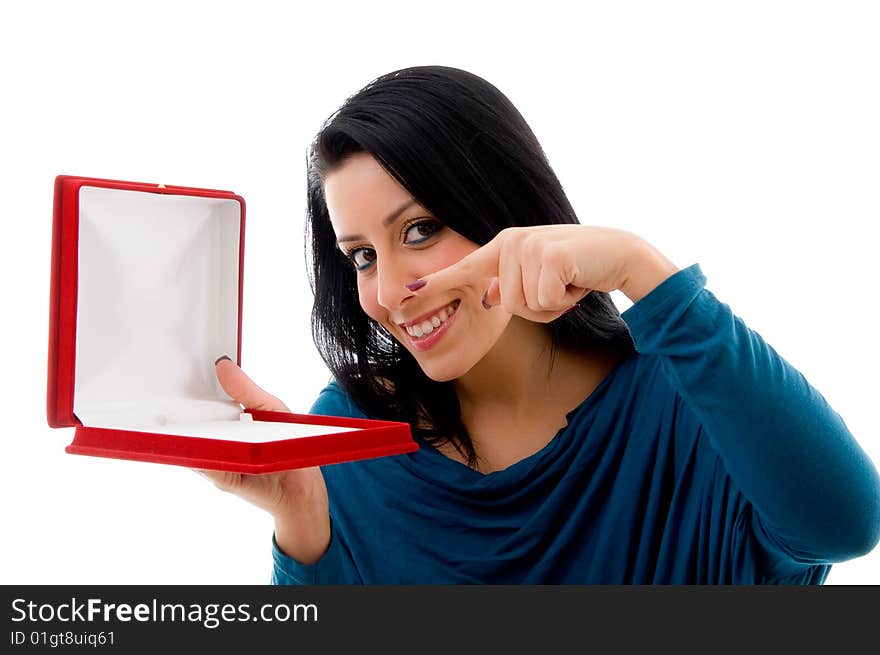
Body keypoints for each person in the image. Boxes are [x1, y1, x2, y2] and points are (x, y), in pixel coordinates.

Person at [197, 65, 880, 584]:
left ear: (504, 206)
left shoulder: (683, 405)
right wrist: (302, 530)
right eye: (363, 255)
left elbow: (845, 523)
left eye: (421, 228)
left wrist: (643, 270)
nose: (391, 290)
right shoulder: (354, 434)